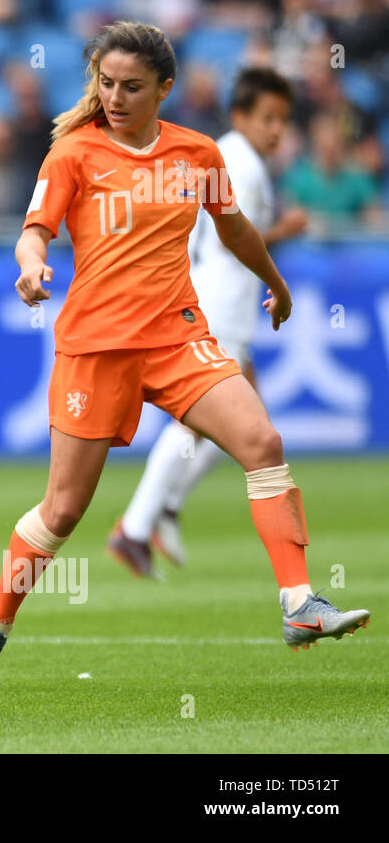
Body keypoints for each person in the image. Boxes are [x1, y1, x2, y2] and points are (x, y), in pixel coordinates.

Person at [0, 21, 370, 694]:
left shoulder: (196, 155)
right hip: (96, 349)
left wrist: (277, 281)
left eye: (132, 86)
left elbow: (234, 227)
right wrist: (30, 270)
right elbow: (35, 233)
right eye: (107, 83)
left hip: (178, 339)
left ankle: (299, 604)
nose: (115, 96)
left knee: (262, 441)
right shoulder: (73, 153)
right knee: (61, 512)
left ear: (164, 89)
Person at [109, 66, 310, 576]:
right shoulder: (238, 161)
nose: (276, 130)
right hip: (218, 304)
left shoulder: (237, 158)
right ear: (240, 115)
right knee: (204, 425)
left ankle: (160, 513)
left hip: (229, 305)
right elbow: (231, 235)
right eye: (267, 118)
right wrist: (285, 229)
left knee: (249, 429)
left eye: (283, 120)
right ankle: (136, 527)